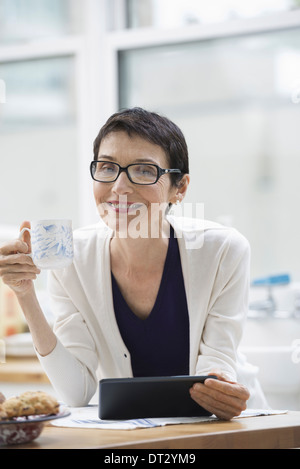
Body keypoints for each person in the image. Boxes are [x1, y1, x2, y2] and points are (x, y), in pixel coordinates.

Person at [0, 107, 260, 420]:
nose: (120, 187)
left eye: (144, 171)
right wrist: (25, 293)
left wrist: (222, 388)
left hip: (222, 425)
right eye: (107, 167)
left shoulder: (222, 251)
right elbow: (76, 391)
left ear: (180, 188)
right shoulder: (72, 259)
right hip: (135, 433)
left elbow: (214, 370)